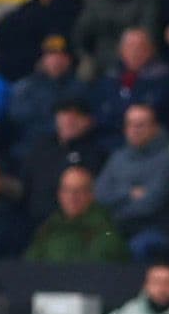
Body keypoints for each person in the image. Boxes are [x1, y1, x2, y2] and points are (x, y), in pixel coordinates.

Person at [94, 103, 169, 261]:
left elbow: (150, 203)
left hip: (154, 228)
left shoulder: (167, 161)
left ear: (154, 128)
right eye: (130, 124)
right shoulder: (117, 158)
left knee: (136, 247)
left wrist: (116, 205)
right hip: (117, 227)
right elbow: (100, 195)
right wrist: (129, 193)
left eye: (141, 125)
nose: (135, 130)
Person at [19, 95, 114, 224]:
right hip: (29, 219)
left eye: (76, 115)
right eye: (64, 114)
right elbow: (25, 183)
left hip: (69, 223)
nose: (69, 120)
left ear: (88, 121)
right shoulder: (42, 146)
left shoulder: (95, 153)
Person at [72, 0, 158, 80]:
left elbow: (148, 32)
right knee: (84, 74)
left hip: (135, 57)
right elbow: (81, 32)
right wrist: (85, 56)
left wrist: (129, 52)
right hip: (101, 57)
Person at [0, 0, 80, 82]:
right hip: (15, 70)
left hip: (49, 71)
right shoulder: (29, 6)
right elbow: (0, 31)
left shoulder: (73, 8)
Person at [25, 164, 129, 264]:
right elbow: (29, 266)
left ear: (91, 194)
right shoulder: (49, 228)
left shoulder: (105, 230)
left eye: (79, 191)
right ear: (59, 194)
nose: (72, 197)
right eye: (66, 190)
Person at [92, 27, 169, 135]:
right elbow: (100, 113)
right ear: (121, 51)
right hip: (109, 138)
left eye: (140, 47)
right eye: (130, 46)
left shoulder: (163, 79)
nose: (135, 52)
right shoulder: (109, 77)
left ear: (151, 50)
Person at [7, 35, 80, 160]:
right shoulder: (24, 88)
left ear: (69, 59)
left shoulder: (79, 88)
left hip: (68, 151)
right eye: (51, 55)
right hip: (29, 151)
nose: (56, 60)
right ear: (43, 59)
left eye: (61, 55)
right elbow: (19, 121)